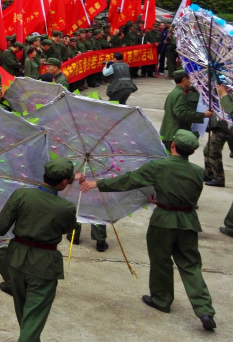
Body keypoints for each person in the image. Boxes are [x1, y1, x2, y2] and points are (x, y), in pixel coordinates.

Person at [81, 129, 216, 330]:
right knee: (190, 264)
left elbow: (128, 180)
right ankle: (204, 310)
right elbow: (187, 197)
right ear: (192, 152)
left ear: (172, 146)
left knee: (161, 260)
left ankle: (162, 300)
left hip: (163, 220)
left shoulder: (159, 166)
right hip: (188, 222)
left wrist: (97, 183)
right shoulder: (197, 172)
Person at [0, 157, 78, 342]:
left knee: (26, 318)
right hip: (43, 266)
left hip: (17, 260)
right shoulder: (65, 208)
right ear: (64, 182)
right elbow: (68, 229)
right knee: (33, 321)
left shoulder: (21, 195)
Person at [159, 70, 211, 150]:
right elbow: (181, 113)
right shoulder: (180, 94)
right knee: (178, 160)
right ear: (184, 80)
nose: (191, 82)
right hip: (175, 135)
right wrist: (203, 115)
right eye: (190, 79)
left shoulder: (174, 93)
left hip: (168, 134)